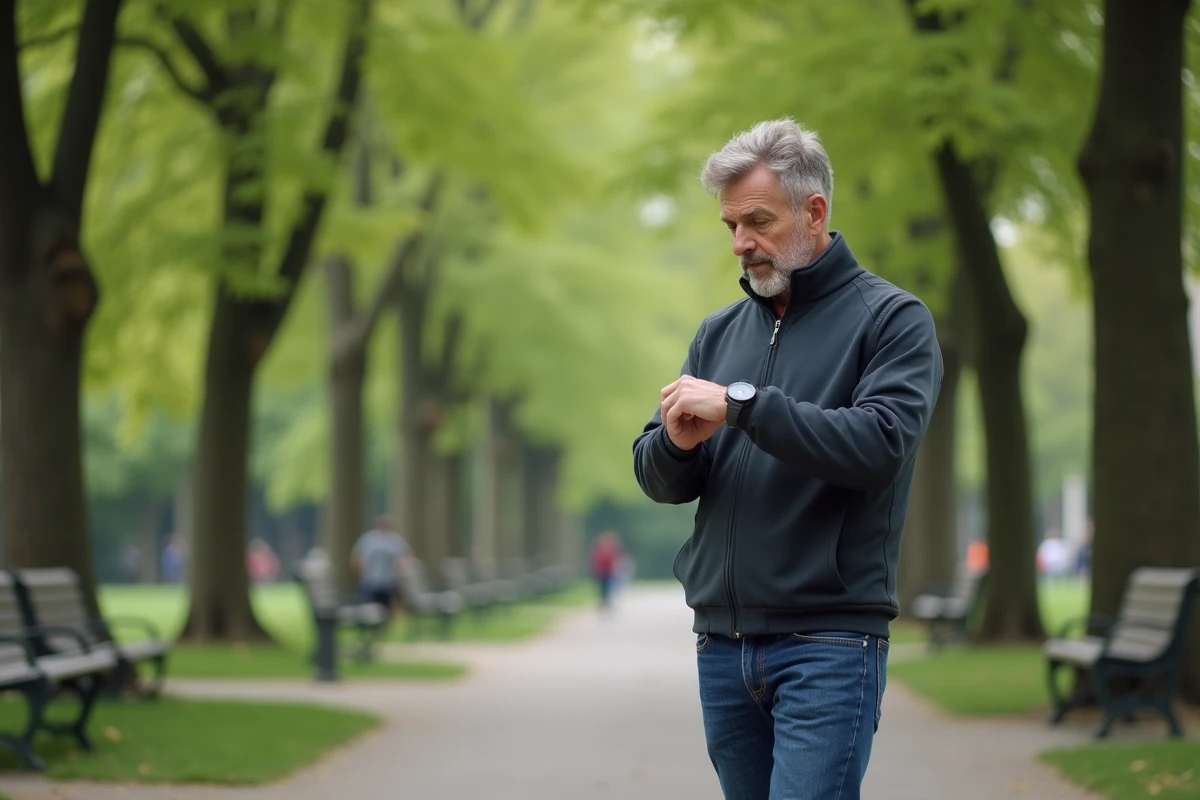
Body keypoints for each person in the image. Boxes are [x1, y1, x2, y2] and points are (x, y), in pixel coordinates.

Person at [632, 118, 943, 800]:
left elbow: (878, 446)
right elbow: (657, 474)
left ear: (815, 211)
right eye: (731, 226)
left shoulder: (892, 320)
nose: (742, 243)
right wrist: (674, 447)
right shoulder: (718, 332)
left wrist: (743, 406)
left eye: (758, 221)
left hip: (829, 643)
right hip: (721, 644)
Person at [350, 515, 410, 612]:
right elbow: (357, 559)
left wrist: (401, 567)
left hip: (390, 582)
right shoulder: (367, 539)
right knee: (369, 607)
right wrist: (362, 568)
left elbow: (404, 560)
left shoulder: (396, 541)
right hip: (370, 581)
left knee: (388, 608)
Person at [588, 530, 624, 612]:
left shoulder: (612, 549)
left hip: (609, 572)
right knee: (602, 588)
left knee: (608, 587)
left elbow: (616, 560)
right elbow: (595, 560)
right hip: (601, 571)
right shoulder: (599, 549)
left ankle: (606, 602)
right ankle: (603, 601)